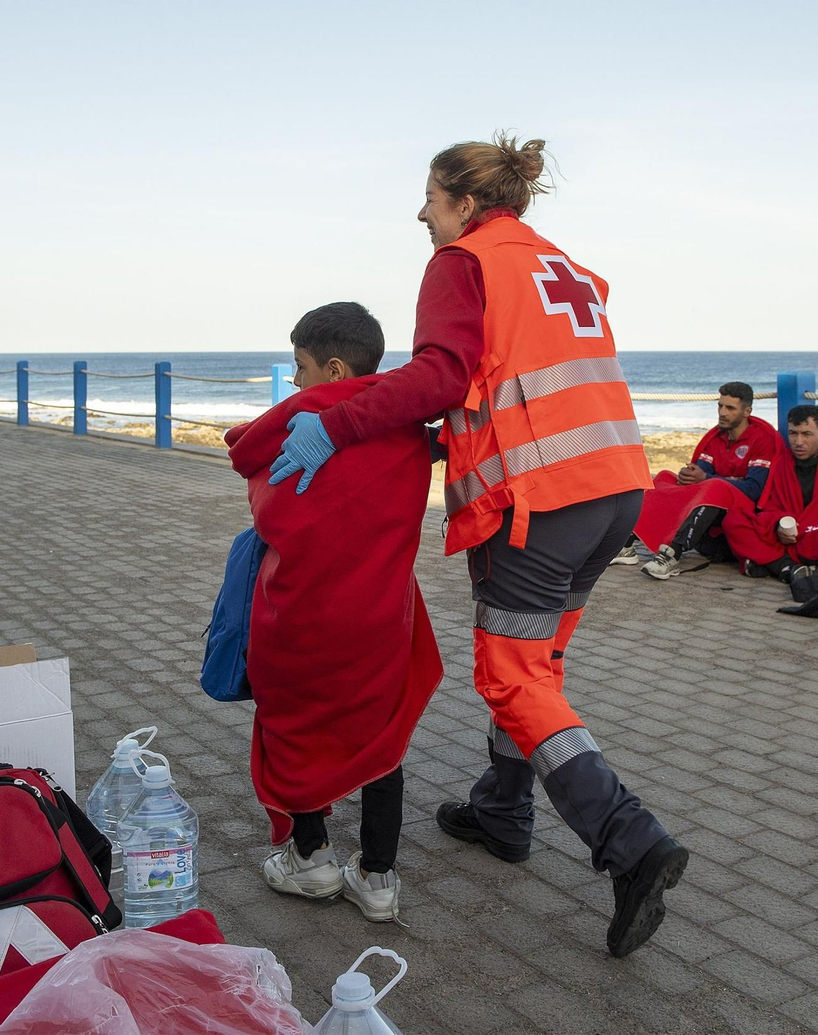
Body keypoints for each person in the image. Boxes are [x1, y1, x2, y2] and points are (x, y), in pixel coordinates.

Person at [267, 135, 687, 958]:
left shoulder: (462, 262)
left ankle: (631, 841)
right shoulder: (559, 266)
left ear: (464, 203)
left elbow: (441, 376)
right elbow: (514, 384)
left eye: (429, 197)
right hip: (614, 489)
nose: (420, 213)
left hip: (538, 503)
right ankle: (501, 809)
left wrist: (340, 423)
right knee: (539, 666)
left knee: (512, 677)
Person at [225, 302, 443, 922]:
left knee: (296, 726)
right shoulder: (406, 427)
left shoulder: (296, 425)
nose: (295, 380)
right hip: (380, 615)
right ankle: (378, 877)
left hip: (300, 616)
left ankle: (311, 857)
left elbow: (265, 499)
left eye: (300, 366)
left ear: (335, 368)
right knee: (381, 734)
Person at [630, 382, 781, 580]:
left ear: (747, 411)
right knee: (664, 477)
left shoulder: (761, 439)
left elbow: (754, 489)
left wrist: (707, 478)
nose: (722, 413)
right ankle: (627, 544)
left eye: (730, 408)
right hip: (713, 505)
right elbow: (702, 473)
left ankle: (671, 554)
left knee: (715, 487)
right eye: (720, 406)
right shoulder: (716, 438)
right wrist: (689, 475)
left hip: (742, 512)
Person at [723, 404, 818, 583]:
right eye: (793, 433)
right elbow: (770, 507)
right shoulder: (782, 463)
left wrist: (805, 528)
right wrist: (778, 523)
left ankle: (773, 564)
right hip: (787, 537)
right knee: (734, 519)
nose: (798, 442)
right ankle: (789, 568)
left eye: (806, 434)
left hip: (817, 536)